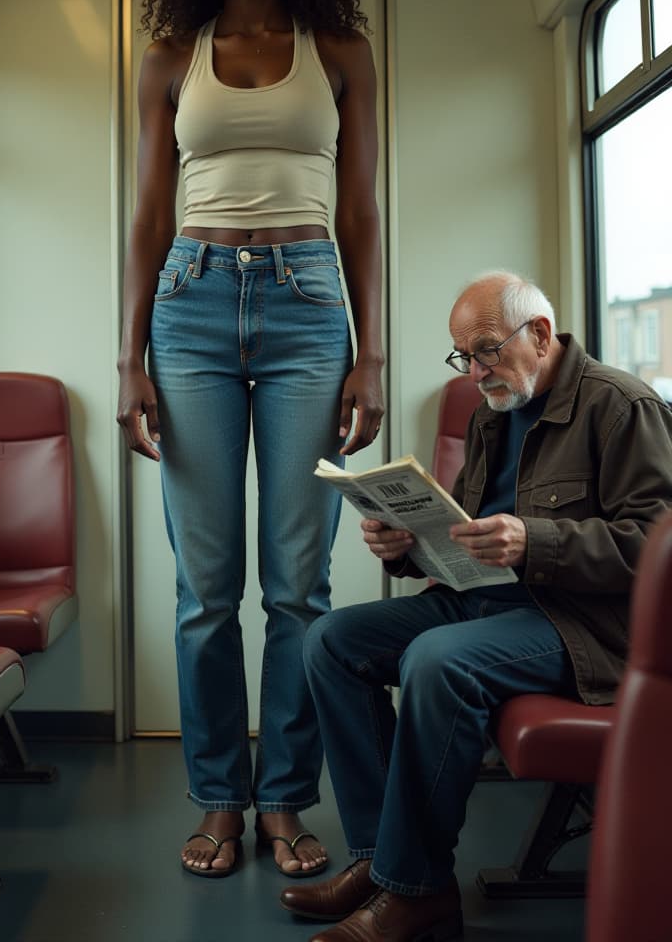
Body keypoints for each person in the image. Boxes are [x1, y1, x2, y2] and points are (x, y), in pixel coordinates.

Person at [116, 0, 384, 878]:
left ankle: (284, 801)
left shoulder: (343, 49)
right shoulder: (170, 55)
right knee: (205, 587)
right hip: (188, 308)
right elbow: (147, 214)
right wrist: (130, 355)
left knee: (300, 587)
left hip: (310, 307)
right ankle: (221, 797)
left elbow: (358, 211)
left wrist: (371, 352)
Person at [280, 270, 672, 941]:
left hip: (578, 624)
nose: (475, 369)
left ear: (540, 333)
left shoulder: (621, 406)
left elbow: (657, 544)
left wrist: (535, 540)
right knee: (330, 641)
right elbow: (462, 528)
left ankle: (417, 893)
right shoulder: (492, 406)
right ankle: (380, 861)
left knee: (438, 661)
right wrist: (403, 545)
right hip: (485, 600)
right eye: (464, 355)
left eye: (486, 348)